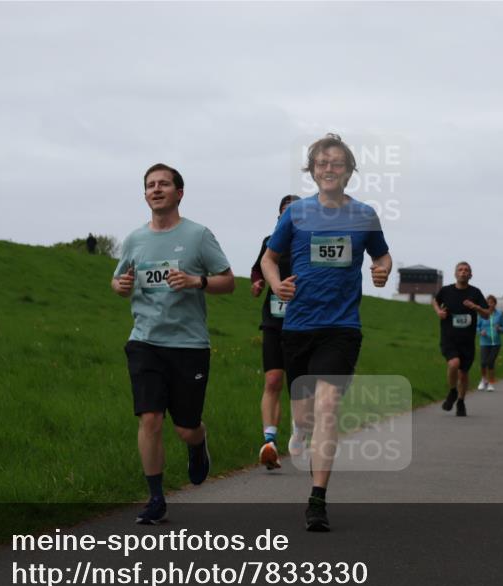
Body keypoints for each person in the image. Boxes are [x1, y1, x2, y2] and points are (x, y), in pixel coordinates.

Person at [261, 133, 392, 531]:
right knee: (305, 415)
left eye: (337, 163)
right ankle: (299, 430)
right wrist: (275, 283)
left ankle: (317, 500)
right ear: (313, 171)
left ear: (350, 170)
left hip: (341, 327)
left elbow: (382, 254)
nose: (329, 169)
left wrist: (383, 269)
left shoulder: (365, 215)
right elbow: (270, 257)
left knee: (328, 405)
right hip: (298, 327)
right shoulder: (296, 213)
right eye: (322, 163)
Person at [111, 163, 235, 525]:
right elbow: (119, 281)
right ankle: (155, 498)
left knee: (185, 426)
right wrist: (119, 286)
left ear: (179, 193)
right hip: (145, 341)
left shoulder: (198, 236)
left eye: (164, 184)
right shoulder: (135, 239)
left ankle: (198, 445)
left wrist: (197, 282)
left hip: (188, 345)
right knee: (149, 418)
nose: (156, 189)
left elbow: (228, 282)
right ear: (145, 194)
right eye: (150, 185)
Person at [250, 194, 300, 470]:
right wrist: (258, 284)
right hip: (274, 319)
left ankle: (299, 432)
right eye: (285, 211)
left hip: (304, 323)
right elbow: (258, 269)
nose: (290, 216)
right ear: (278, 216)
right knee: (272, 381)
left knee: (299, 385)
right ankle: (269, 443)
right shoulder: (270, 242)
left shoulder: (310, 242)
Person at [434, 262, 490, 416]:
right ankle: (452, 391)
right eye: (460, 270)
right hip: (449, 338)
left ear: (470, 275)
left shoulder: (475, 293)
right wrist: (439, 311)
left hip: (467, 341)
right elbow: (435, 301)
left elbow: (486, 314)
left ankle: (460, 401)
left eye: (466, 270)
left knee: (463, 374)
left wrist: (476, 307)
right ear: (455, 274)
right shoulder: (446, 291)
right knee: (454, 364)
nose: (463, 272)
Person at [477, 294, 503, 391]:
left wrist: (500, 329)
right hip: (484, 342)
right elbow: (476, 326)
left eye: (492, 302)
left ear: (495, 304)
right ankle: (483, 380)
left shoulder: (499, 314)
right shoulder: (482, 314)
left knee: (490, 362)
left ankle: (490, 383)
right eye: (488, 303)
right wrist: (480, 331)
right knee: (482, 363)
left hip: (496, 343)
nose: (490, 304)